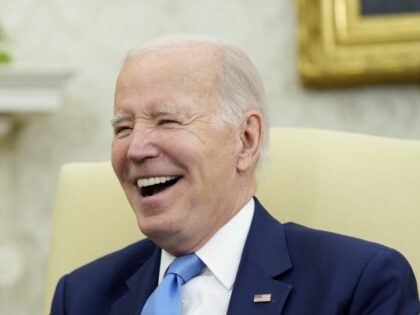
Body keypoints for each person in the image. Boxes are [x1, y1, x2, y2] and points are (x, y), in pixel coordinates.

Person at [50, 35, 420, 315]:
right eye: (123, 128)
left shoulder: (359, 283)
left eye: (168, 121)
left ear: (246, 140)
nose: (136, 149)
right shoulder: (81, 297)